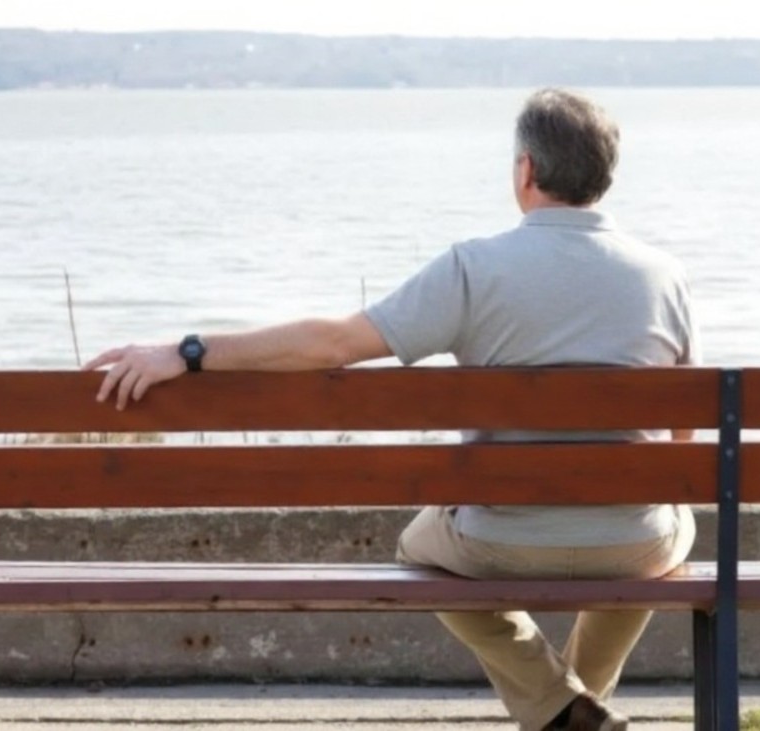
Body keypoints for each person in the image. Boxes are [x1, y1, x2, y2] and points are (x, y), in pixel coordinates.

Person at [85, 87, 700, 731]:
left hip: (499, 541)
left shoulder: (473, 268)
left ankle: (559, 706)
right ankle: (574, 706)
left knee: (417, 553)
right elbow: (683, 438)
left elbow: (335, 344)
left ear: (526, 171)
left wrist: (190, 351)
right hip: (632, 542)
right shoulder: (665, 275)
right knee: (666, 531)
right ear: (606, 174)